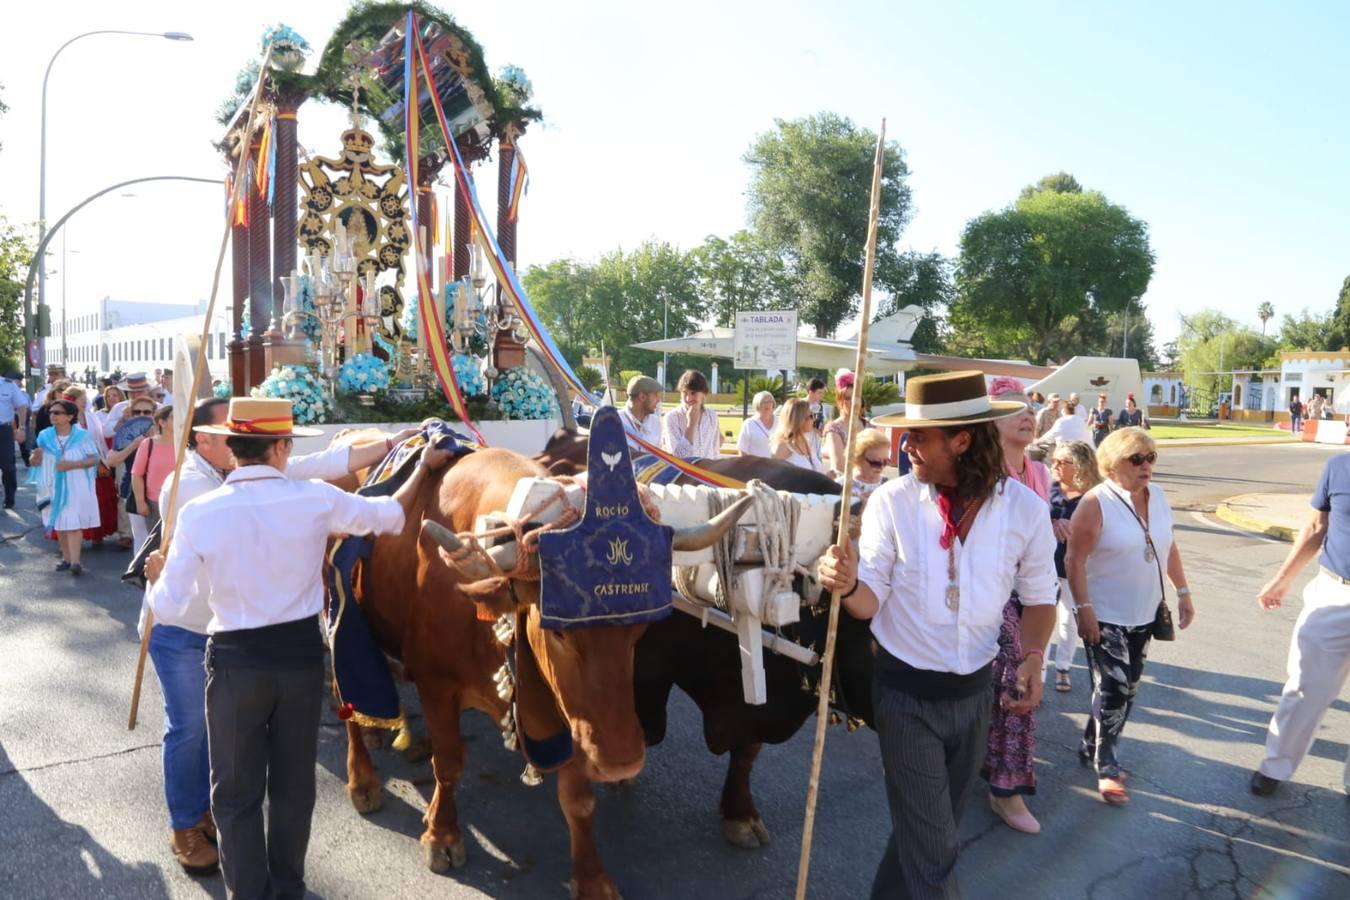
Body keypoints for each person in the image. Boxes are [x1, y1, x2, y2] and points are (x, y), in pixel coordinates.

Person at [145, 398, 441, 896]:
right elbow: (390, 516)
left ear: (235, 448)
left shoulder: (199, 512)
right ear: (281, 447)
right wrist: (423, 469)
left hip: (235, 662)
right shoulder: (314, 499)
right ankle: (287, 888)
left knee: (235, 795)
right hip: (298, 659)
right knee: (292, 788)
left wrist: (155, 579)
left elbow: (170, 610)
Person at [817, 370, 1057, 899]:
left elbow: (1041, 597)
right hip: (905, 696)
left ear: (962, 440)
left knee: (927, 831)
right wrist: (848, 581)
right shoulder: (892, 502)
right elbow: (868, 600)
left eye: (919, 437)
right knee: (934, 849)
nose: (906, 449)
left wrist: (1034, 656)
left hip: (976, 696)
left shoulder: (1026, 510)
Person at [1065, 427, 1195, 805]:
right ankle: (1106, 765)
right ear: (1112, 463)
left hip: (1144, 610)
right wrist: (1084, 610)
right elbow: (1075, 560)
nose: (1146, 466)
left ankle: (1092, 742)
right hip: (1104, 613)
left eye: (1151, 457)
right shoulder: (1095, 502)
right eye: (1136, 459)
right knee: (1114, 687)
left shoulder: (1159, 497)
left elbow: (1167, 547)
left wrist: (1183, 592)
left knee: (1128, 687)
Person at [1250, 451, 1350, 798]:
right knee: (1305, 686)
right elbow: (1316, 527)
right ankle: (1275, 766)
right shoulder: (1339, 467)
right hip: (1336, 594)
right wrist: (1282, 579)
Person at [981, 376, 1050, 834]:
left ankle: (1000, 780)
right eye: (1012, 408)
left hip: (1033, 587)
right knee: (1013, 669)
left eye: (1028, 406)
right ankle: (1005, 789)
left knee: (1028, 665)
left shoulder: (1039, 473)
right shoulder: (979, 473)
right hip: (989, 588)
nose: (1026, 414)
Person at [1046, 440, 1102, 691]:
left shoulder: (1095, 496)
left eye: (1062, 462)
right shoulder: (1048, 489)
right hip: (1045, 564)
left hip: (1075, 568)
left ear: (1079, 466)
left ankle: (1063, 668)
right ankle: (1038, 673)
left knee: (1069, 618)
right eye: (1054, 460)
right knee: (1043, 618)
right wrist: (1051, 525)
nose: (1055, 465)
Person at [29, 399, 101, 575]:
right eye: (51, 412)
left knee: (74, 522)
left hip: (77, 484)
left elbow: (94, 459)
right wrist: (35, 458)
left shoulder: (82, 436)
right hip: (52, 484)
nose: (52, 415)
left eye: (57, 413)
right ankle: (66, 559)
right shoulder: (45, 436)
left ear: (70, 416)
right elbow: (35, 462)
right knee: (60, 521)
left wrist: (72, 465)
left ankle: (75, 562)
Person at [131, 406, 177, 531]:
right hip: (155, 503)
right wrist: (140, 502)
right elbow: (137, 475)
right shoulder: (148, 444)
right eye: (174, 417)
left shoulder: (188, 444)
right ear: (162, 422)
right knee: (158, 546)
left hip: (183, 500)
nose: (180, 420)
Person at [662, 369, 721, 459]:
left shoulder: (711, 416)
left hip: (707, 471)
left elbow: (715, 452)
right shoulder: (672, 417)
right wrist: (691, 425)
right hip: (683, 472)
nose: (688, 398)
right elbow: (676, 457)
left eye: (693, 393)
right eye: (684, 393)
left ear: (704, 394)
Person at [822, 369, 870, 477]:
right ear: (840, 401)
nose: (853, 401)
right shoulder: (834, 428)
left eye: (856, 397)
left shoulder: (869, 425)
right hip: (844, 483)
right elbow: (839, 466)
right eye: (848, 398)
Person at [771, 398, 825, 472]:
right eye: (811, 416)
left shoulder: (807, 442)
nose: (814, 419)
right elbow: (773, 477)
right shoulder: (783, 446)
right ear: (799, 419)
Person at [1, 370, 29, 509]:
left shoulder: (8, 385)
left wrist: (22, 428)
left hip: (4, 430)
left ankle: (9, 496)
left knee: (7, 466)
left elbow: (22, 406)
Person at [844, 428, 892, 500]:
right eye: (875, 463)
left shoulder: (888, 486)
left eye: (885, 462)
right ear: (857, 458)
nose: (881, 467)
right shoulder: (843, 485)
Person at [736, 391, 776, 458]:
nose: (767, 404)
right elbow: (742, 449)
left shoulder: (781, 422)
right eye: (763, 402)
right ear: (757, 405)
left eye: (770, 401)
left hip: (777, 467)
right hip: (756, 466)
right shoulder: (749, 423)